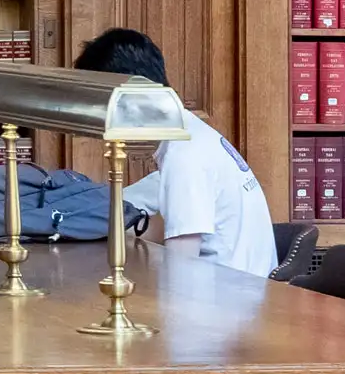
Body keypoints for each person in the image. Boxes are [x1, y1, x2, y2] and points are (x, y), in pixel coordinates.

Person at [73, 26, 278, 278]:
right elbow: (164, 228)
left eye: (100, 104)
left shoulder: (184, 155)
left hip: (226, 306)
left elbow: (183, 271)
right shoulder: (194, 134)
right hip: (243, 294)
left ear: (126, 95)